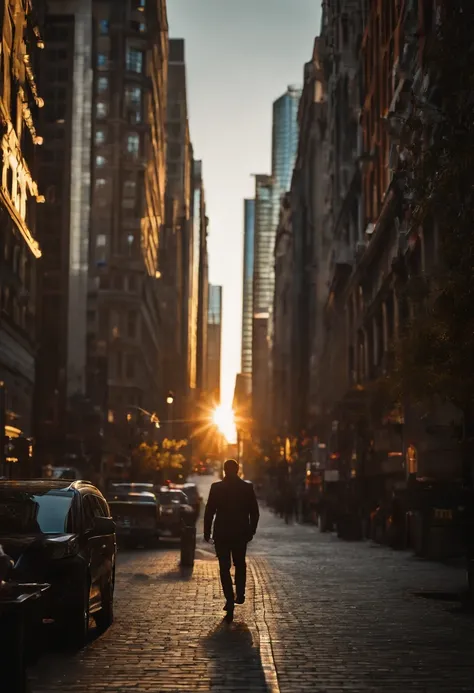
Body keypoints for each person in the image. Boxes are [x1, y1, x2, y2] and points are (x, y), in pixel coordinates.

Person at [204, 459, 259, 621]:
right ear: (237, 470)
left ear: (224, 470)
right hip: (240, 533)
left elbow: (209, 511)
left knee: (224, 567)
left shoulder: (217, 488)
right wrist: (251, 531)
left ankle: (230, 598)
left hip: (222, 533)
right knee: (240, 563)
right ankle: (240, 593)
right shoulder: (246, 488)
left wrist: (207, 532)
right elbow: (254, 512)